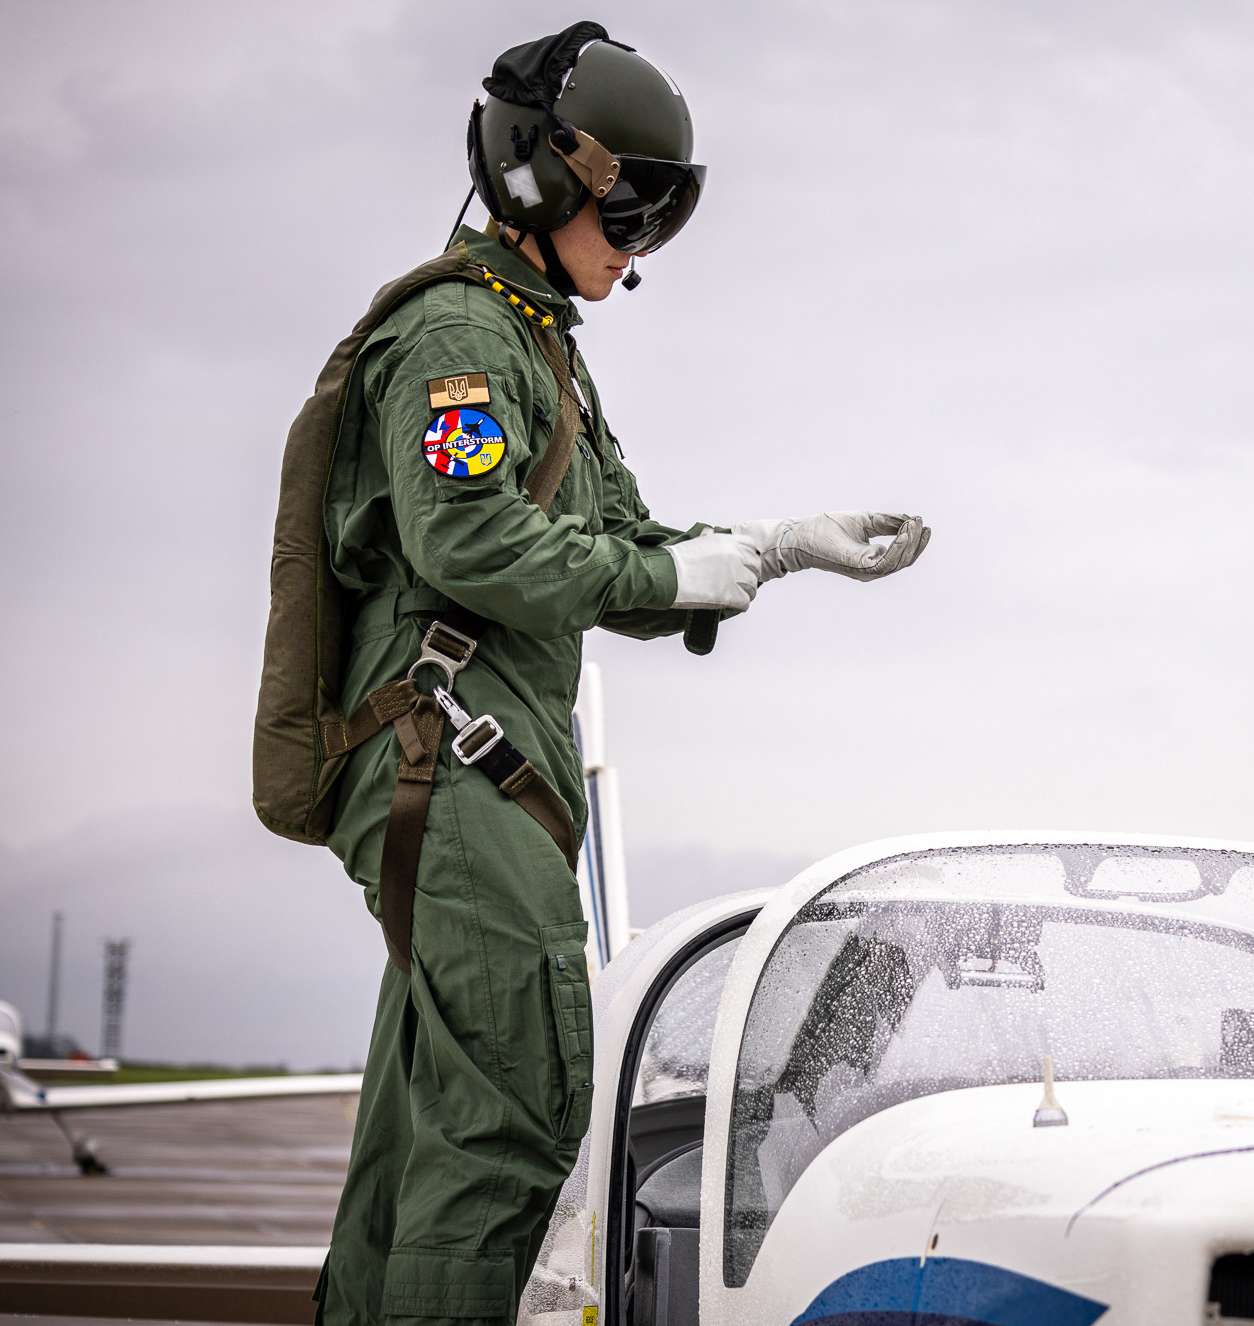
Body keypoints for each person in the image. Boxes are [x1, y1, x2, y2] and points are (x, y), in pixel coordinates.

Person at [293, 23, 930, 1322]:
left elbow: (613, 543)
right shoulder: (460, 337)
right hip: (449, 756)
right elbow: (467, 539)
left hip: (479, 765)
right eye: (625, 205)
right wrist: (663, 577)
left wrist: (766, 548)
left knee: (420, 1146)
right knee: (511, 1120)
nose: (634, 245)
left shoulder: (539, 346)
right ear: (541, 178)